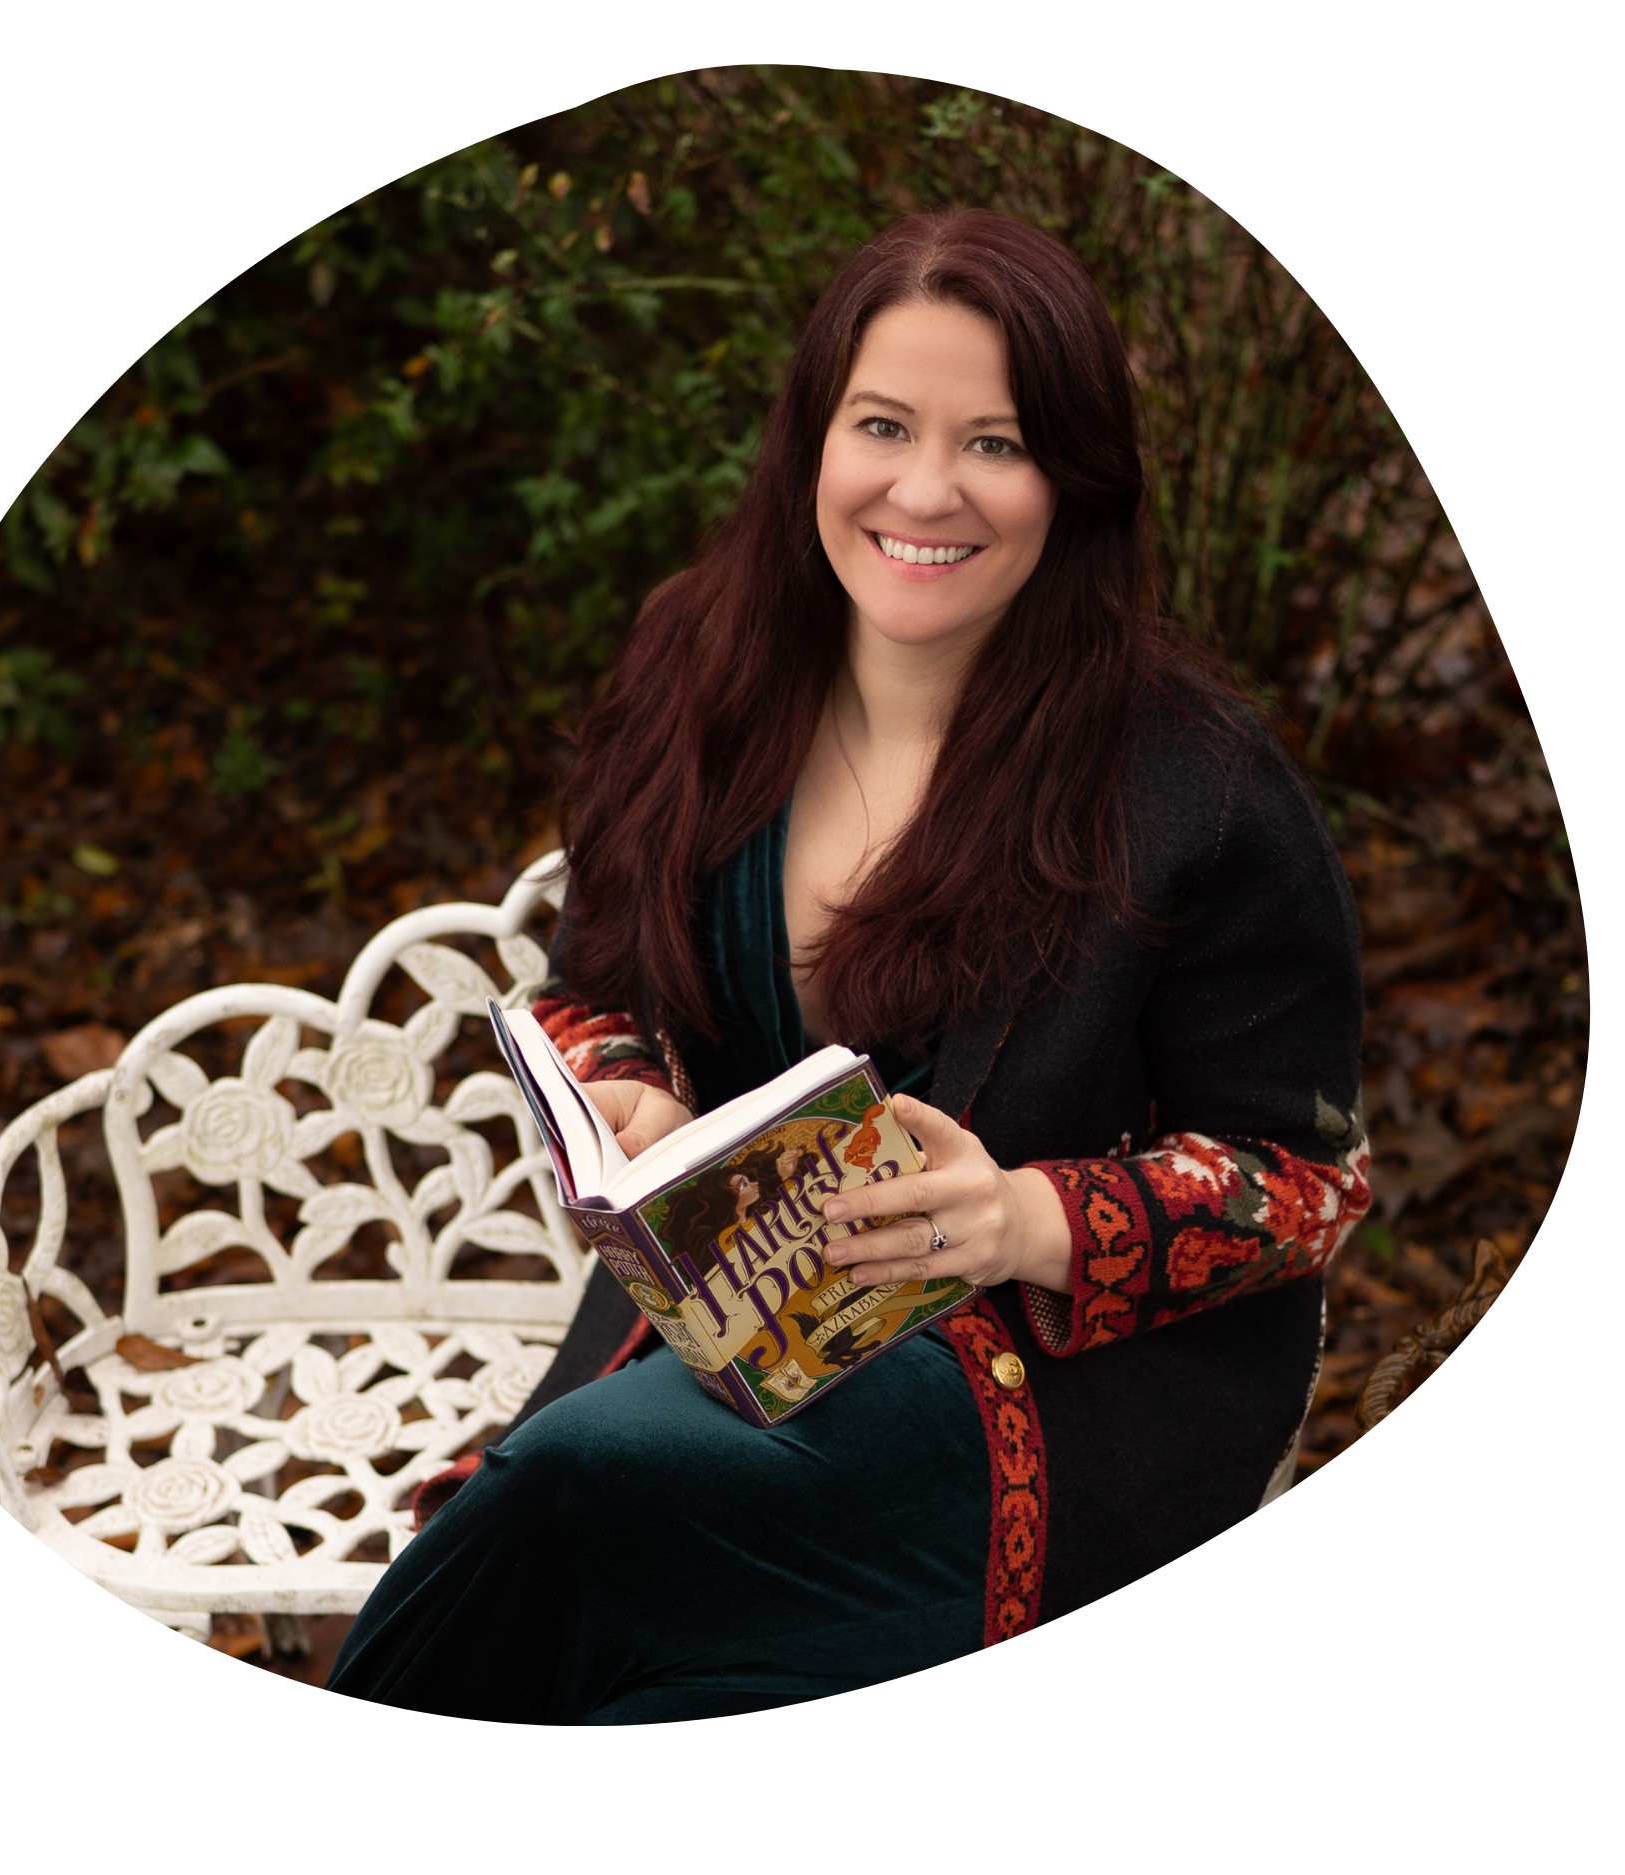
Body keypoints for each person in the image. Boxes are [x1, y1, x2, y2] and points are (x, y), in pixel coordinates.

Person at [325, 209, 1369, 1725]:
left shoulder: (1192, 784)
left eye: (995, 443)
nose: (925, 490)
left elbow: (1306, 1183)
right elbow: (590, 979)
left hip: (1030, 1402)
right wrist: (625, 1089)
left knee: (567, 1488)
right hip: (724, 1342)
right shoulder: (705, 665)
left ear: (1075, 479)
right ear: (812, 437)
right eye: (882, 425)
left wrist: (1018, 1218)